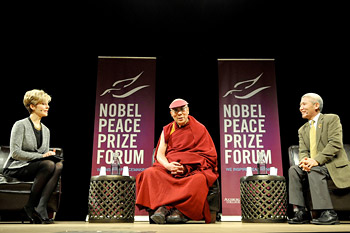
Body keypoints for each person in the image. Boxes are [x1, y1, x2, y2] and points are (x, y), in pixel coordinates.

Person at [136, 98, 219, 224]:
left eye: (182, 110)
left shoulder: (200, 128)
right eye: (175, 111)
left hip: (192, 171)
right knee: (149, 174)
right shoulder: (167, 130)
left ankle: (169, 209)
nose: (179, 113)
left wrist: (186, 167)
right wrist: (168, 166)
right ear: (171, 113)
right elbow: (160, 154)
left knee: (200, 180)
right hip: (169, 170)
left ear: (188, 110)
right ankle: (170, 210)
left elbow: (208, 155)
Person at [288, 93, 350, 225]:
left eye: (304, 104)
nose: (300, 108)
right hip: (314, 165)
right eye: (300, 105)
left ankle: (328, 213)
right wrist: (304, 161)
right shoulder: (302, 129)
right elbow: (303, 151)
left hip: (332, 165)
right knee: (294, 170)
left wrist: (315, 160)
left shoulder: (331, 119)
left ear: (316, 105)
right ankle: (301, 211)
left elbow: (335, 143)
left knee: (315, 169)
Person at [2, 90, 63, 224]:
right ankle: (30, 206)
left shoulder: (46, 130)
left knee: (57, 165)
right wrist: (41, 156)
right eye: (43, 103)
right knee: (48, 164)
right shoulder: (20, 125)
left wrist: (49, 155)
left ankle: (41, 206)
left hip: (35, 167)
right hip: (16, 166)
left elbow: (43, 154)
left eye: (47, 104)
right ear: (32, 106)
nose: (47, 107)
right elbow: (15, 153)